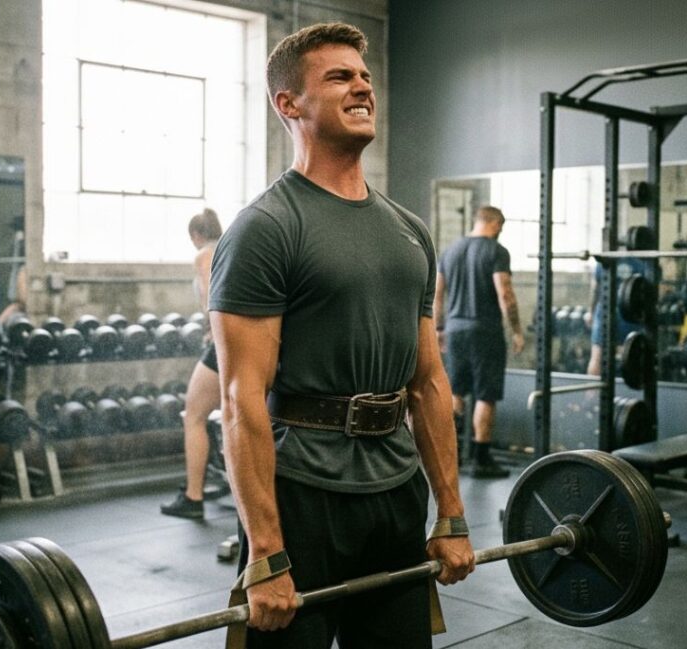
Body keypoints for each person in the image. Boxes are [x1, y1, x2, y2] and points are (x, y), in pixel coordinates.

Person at [208, 22, 473, 648]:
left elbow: (429, 383)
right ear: (288, 104)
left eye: (365, 76)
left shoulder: (409, 230)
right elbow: (240, 400)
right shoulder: (266, 228)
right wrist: (266, 555)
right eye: (339, 77)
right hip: (302, 496)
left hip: (394, 487)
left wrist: (452, 514)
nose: (361, 86)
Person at [435, 206, 522, 479]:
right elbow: (505, 293)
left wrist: (439, 328)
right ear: (495, 224)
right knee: (486, 395)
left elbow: (437, 294)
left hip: (455, 330)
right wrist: (517, 330)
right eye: (501, 227)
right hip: (485, 331)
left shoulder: (450, 251)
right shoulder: (496, 251)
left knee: (456, 392)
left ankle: (453, 455)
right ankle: (481, 459)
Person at [161, 208, 224, 519]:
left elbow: (213, 295)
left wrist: (212, 330)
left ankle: (193, 496)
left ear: (196, 235)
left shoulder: (203, 255)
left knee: (194, 415)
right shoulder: (230, 248)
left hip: (222, 344)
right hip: (238, 343)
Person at [586, 256, 648, 375]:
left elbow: (595, 289)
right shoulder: (641, 263)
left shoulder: (605, 260)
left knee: (599, 358)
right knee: (626, 358)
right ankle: (593, 393)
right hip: (624, 314)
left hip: (617, 314)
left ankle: (592, 393)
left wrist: (591, 312)